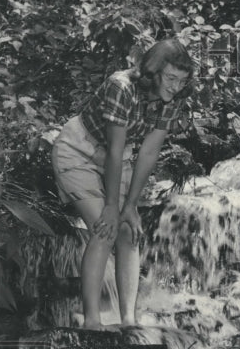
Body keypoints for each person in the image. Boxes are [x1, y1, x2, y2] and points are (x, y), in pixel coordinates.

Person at [52, 39, 193, 330]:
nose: (175, 87)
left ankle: (129, 319)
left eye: (182, 81)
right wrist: (111, 207)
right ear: (153, 72)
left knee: (128, 231)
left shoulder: (173, 98)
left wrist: (129, 205)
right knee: (105, 228)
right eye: (170, 78)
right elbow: (115, 149)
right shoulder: (122, 86)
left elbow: (150, 151)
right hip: (79, 150)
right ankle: (92, 321)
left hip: (119, 156)